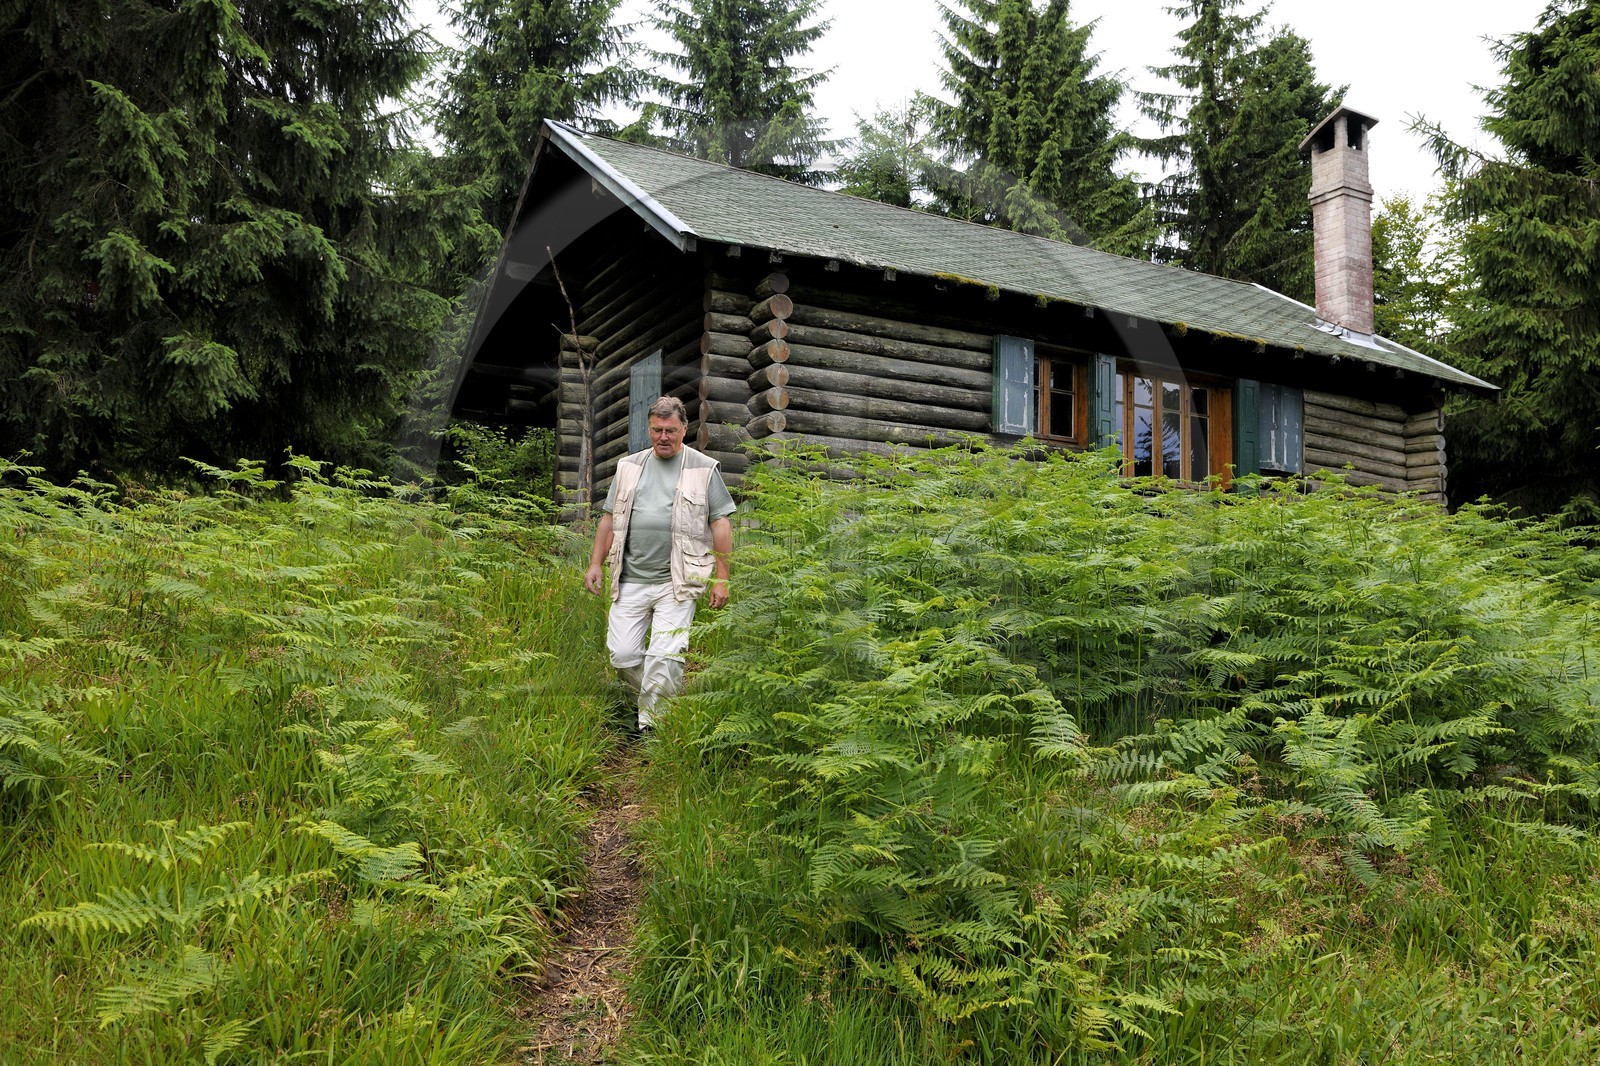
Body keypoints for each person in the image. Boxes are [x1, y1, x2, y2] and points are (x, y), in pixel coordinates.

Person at [585, 396, 735, 730]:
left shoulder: (702, 468)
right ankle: (653, 700)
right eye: (656, 430)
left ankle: (652, 726)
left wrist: (722, 578)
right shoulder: (629, 467)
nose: (663, 437)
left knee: (664, 656)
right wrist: (595, 563)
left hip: (679, 581)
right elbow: (608, 520)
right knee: (622, 655)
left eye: (670, 430)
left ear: (684, 429)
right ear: (649, 429)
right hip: (629, 579)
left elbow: (721, 523)